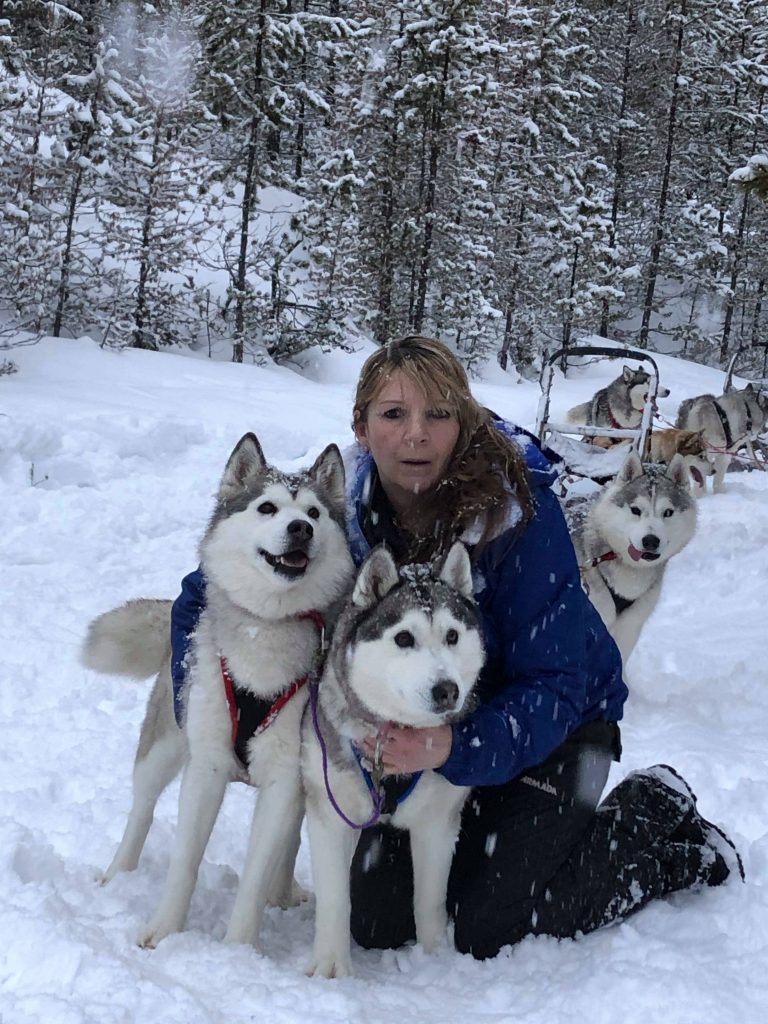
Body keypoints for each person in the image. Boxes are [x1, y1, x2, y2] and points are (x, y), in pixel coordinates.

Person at [171, 335, 743, 960]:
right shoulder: (334, 514)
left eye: (438, 414)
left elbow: (558, 680)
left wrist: (458, 747)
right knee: (380, 921)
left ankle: (649, 815)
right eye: (393, 415)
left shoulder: (518, 513)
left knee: (495, 922)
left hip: (554, 725)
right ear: (361, 427)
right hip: (426, 726)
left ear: (463, 423)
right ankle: (487, 831)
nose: (415, 434)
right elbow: (208, 597)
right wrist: (210, 720)